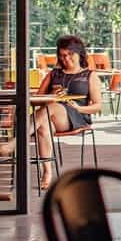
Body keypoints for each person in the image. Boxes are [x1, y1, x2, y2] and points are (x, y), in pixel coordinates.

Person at [32, 35, 102, 190]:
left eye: (70, 54)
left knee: (52, 108)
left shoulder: (90, 75)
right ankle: (47, 172)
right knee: (44, 126)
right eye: (62, 55)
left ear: (80, 54)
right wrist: (51, 96)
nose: (66, 59)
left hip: (77, 117)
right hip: (52, 116)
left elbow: (97, 106)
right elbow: (37, 99)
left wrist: (78, 108)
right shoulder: (53, 74)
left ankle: (17, 140)